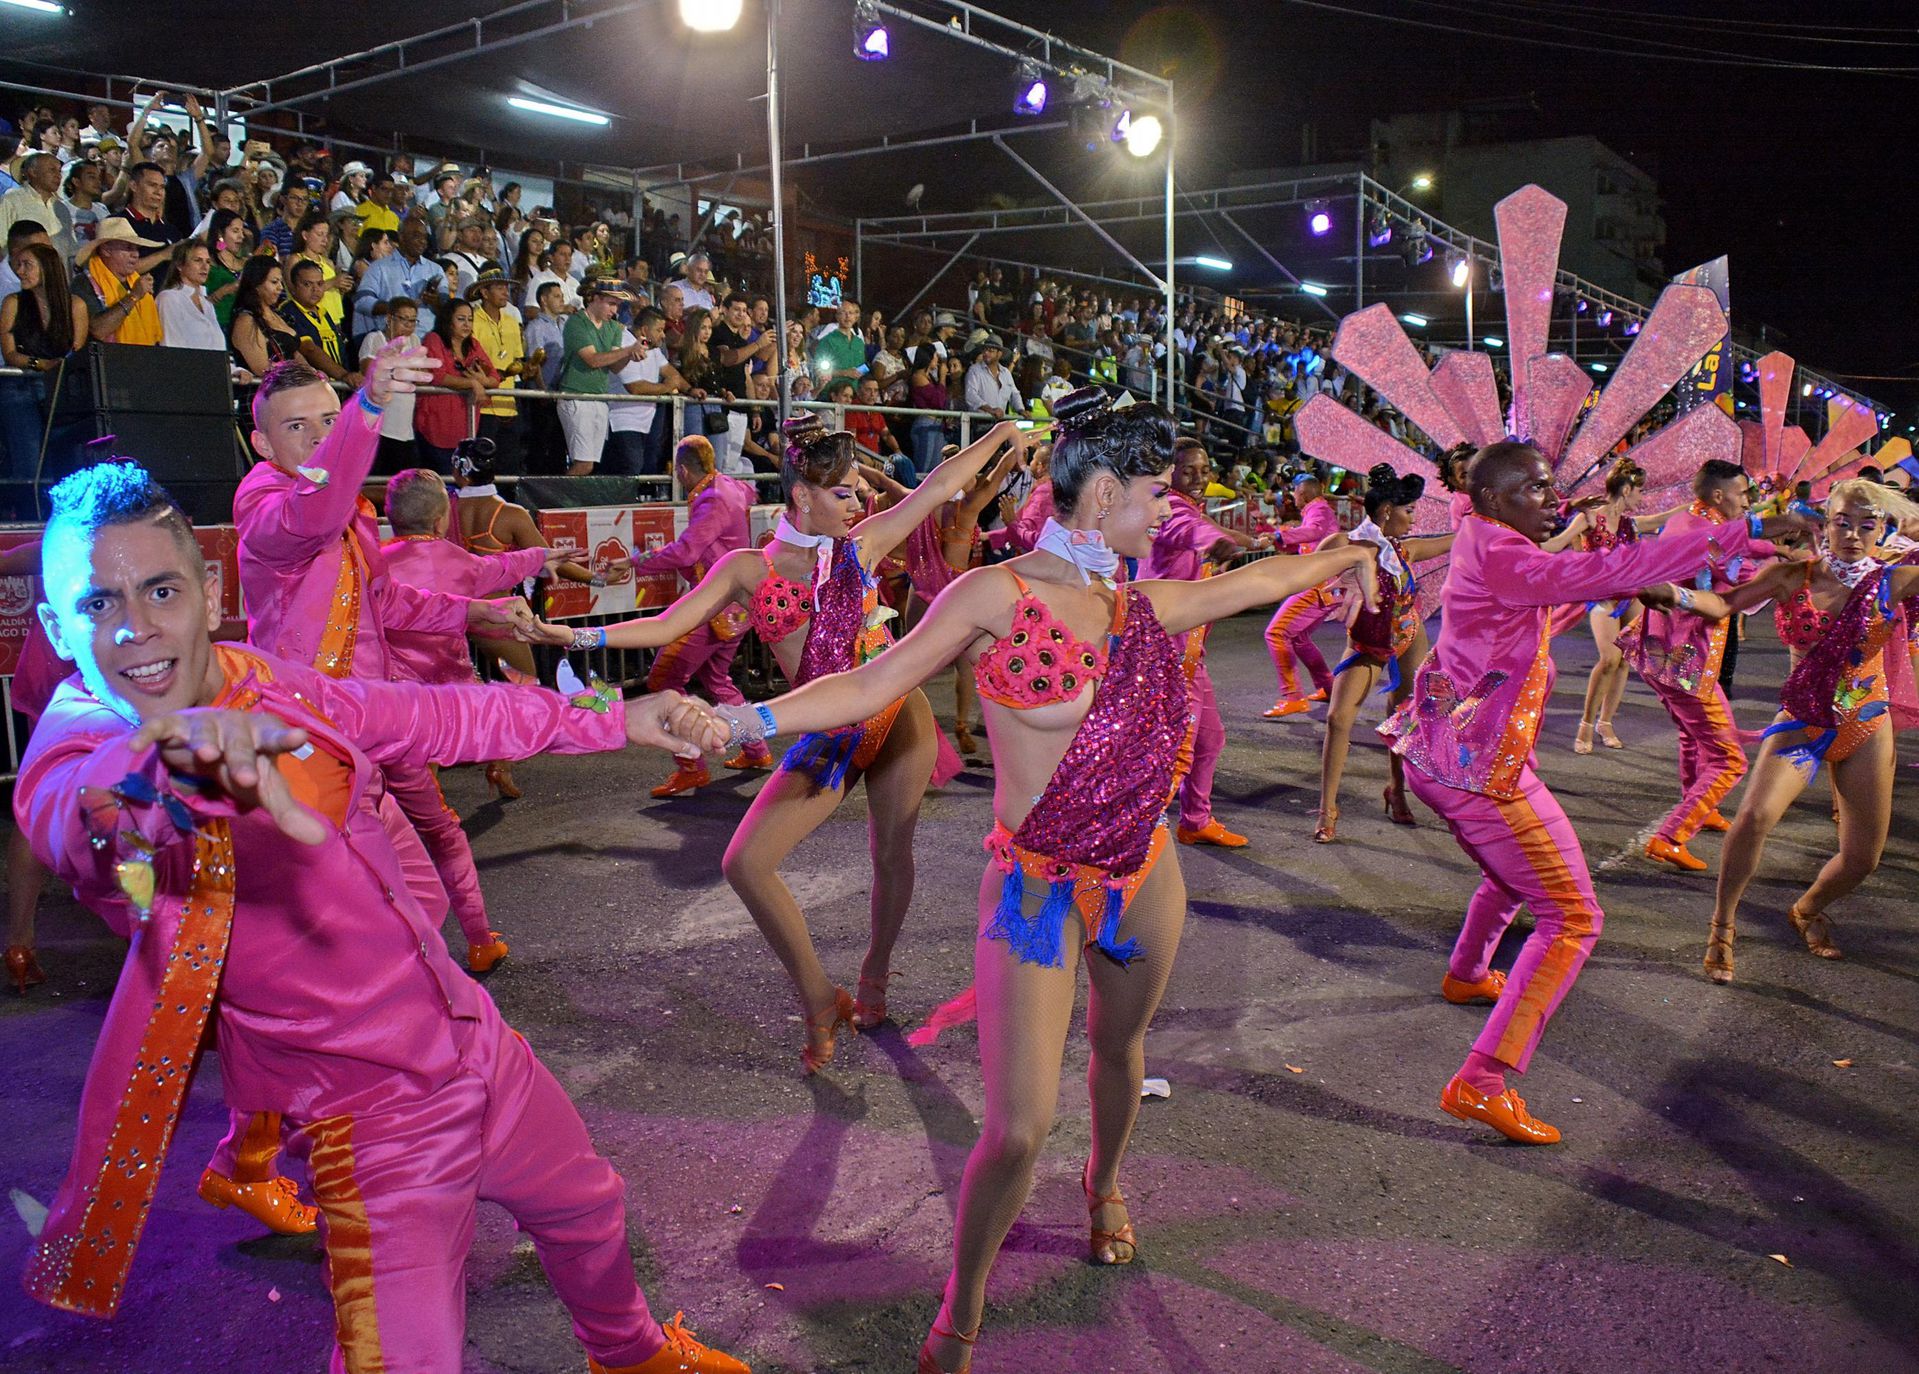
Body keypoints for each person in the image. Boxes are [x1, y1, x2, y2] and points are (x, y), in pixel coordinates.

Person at [17, 459, 749, 1374]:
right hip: (367, 1119)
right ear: (52, 625)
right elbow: (82, 820)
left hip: (471, 1039)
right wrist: (164, 771)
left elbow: (441, 715)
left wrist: (616, 712)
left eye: (159, 589)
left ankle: (629, 1353)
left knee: (588, 1206)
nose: (135, 627)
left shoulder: (265, 680)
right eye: (96, 605)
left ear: (208, 592)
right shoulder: (76, 747)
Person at [694, 389, 1375, 1373]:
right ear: (1100, 493)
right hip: (1034, 898)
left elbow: (1261, 576)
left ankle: (1103, 1183)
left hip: (1141, 879)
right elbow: (867, 685)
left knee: (1120, 1050)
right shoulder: (991, 598)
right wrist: (748, 721)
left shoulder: (1142, 605)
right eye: (1151, 494)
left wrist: (1349, 555)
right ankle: (960, 1309)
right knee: (1015, 1131)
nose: (1163, 513)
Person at [547, 419, 1040, 1070]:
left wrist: (1001, 432)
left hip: (895, 715)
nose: (859, 504)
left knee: (891, 854)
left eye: (860, 492)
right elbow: (669, 623)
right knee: (745, 863)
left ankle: (875, 977)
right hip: (821, 731)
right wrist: (577, 640)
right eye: (844, 493)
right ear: (801, 495)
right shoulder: (747, 569)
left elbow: (940, 486)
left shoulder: (860, 547)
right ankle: (817, 996)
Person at [1380, 440, 1804, 1146]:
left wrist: (1636, 585)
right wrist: (1743, 536)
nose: (1553, 502)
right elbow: (1610, 565)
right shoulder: (1503, 554)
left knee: (1519, 873)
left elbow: (1578, 587)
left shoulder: (1485, 538)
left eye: (1551, 488)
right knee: (1573, 916)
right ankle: (1479, 1082)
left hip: (1460, 754)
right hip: (1475, 769)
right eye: (1536, 492)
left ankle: (1465, 972)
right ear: (1490, 501)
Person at [233, 352, 538, 973]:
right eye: (299, 427)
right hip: (312, 745)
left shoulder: (355, 513)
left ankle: (389, 1015)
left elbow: (387, 601)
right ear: (261, 442)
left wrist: (477, 615)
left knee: (416, 896)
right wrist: (366, 410)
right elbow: (310, 514)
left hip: (376, 727)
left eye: (329, 419)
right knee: (348, 913)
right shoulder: (264, 501)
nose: (320, 438)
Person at [1701, 479, 1919, 984]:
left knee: (1863, 858)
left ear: (1884, 529)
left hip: (1867, 724)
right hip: (1802, 721)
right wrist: (1670, 592)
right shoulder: (1790, 575)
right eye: (1843, 522)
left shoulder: (1895, 581)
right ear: (1824, 522)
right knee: (1754, 817)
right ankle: (1722, 925)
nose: (1853, 535)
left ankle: (1807, 908)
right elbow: (1722, 604)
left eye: (1868, 525)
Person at [380, 467, 578, 800]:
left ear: (389, 515)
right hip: (449, 683)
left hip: (388, 686)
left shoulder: (372, 563)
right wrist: (541, 556)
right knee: (506, 703)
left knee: (416, 756)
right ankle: (441, 816)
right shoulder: (460, 562)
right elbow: (503, 567)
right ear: (441, 520)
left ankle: (425, 813)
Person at [1623, 459, 1773, 871]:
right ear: (1720, 495)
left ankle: (1700, 807)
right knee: (1730, 760)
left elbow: (1744, 545)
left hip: (1660, 655)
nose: (1749, 501)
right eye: (1743, 494)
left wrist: (1775, 546)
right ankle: (1671, 836)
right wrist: (1787, 563)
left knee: (1692, 737)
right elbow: (1746, 575)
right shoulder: (1709, 536)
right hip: (1687, 662)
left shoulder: (1688, 520)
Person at [1313, 463, 1453, 842]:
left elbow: (1451, 541)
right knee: (1339, 718)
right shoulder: (1347, 545)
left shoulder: (1403, 549)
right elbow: (1306, 568)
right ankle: (1327, 808)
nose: (1413, 519)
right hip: (1366, 645)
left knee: (1401, 716)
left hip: (1409, 636)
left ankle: (1397, 789)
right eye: (1408, 511)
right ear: (1388, 510)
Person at [626, 435, 772, 797]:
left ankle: (691, 766)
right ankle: (756, 750)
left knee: (663, 680)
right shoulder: (732, 487)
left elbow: (687, 551)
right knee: (717, 679)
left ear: (682, 471)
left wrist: (638, 560)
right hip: (734, 607)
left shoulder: (714, 497)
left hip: (714, 608)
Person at [1141, 436, 1263, 847]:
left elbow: (1205, 526)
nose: (1197, 478)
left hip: (1188, 650)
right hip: (1169, 652)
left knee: (1208, 739)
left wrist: (1254, 541)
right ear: (1170, 472)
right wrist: (1217, 544)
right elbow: (1191, 529)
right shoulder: (1172, 508)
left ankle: (1194, 820)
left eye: (1204, 470)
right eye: (1188, 470)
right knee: (1178, 752)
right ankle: (1130, 844)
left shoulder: (1185, 505)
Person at [1549, 457, 1673, 753]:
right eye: (1640, 491)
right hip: (1601, 597)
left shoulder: (1630, 523)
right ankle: (1586, 724)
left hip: (1629, 594)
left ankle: (1606, 722)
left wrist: (1699, 508)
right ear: (1627, 489)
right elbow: (1559, 542)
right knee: (1609, 659)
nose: (1642, 498)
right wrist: (1526, 549)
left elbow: (1662, 518)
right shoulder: (1591, 518)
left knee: (1625, 660)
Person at [0, 242, 86, 477]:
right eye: (18, 265)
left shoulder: (75, 305)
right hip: (22, 385)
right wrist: (42, 364)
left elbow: (77, 349)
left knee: (69, 457)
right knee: (29, 458)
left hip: (60, 387)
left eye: (27, 265)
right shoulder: (13, 303)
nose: (20, 271)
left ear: (47, 268)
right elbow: (10, 354)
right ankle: (32, 506)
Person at [1261, 471, 1342, 716]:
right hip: (1322, 583)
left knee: (1276, 633)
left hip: (1318, 584)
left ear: (1302, 493)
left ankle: (1292, 695)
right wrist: (1273, 535)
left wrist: (1279, 535)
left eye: (1294, 493)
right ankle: (1328, 687)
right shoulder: (1315, 510)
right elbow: (1308, 539)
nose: (1292, 498)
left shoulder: (1318, 510)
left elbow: (1314, 533)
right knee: (1299, 638)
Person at [559, 279, 641, 475]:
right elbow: (593, 360)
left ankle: (569, 501)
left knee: (590, 465)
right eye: (611, 304)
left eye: (617, 305)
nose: (614, 310)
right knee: (583, 464)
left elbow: (613, 366)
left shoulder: (612, 328)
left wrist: (631, 354)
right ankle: (557, 501)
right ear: (595, 299)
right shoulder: (577, 322)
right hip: (577, 396)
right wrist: (628, 350)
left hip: (599, 398)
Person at [415, 298, 498, 473]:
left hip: (466, 426)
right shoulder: (433, 339)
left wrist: (482, 381)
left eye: (470, 319)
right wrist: (472, 383)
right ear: (448, 320)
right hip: (436, 424)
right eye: (461, 319)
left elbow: (494, 377)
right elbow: (436, 376)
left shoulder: (474, 344)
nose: (466, 324)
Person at [605, 305, 689, 477]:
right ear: (644, 329)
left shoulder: (650, 347)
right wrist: (667, 387)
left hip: (646, 421)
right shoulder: (624, 342)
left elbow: (671, 372)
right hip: (623, 419)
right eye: (659, 330)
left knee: (644, 469)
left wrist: (691, 389)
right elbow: (635, 387)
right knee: (630, 468)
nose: (663, 335)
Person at [467, 264, 532, 470]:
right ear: (484, 292)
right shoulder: (473, 320)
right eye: (499, 287)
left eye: (507, 287)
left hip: (509, 403)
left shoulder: (512, 321)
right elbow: (471, 361)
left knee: (509, 464)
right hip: (483, 404)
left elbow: (517, 360)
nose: (506, 292)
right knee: (482, 463)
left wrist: (527, 368)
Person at [73, 218, 163, 345]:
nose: (135, 254)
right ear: (106, 250)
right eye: (128, 248)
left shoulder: (136, 282)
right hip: (105, 362)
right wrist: (134, 296)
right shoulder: (85, 282)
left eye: (136, 248)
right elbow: (98, 330)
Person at [360, 297, 423, 472]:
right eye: (404, 319)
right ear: (389, 319)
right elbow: (370, 370)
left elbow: (420, 374)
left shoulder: (415, 341)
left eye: (413, 320)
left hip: (405, 428)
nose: (409, 325)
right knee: (379, 479)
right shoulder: (375, 339)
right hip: (380, 426)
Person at [283, 257, 357, 390]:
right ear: (293, 287)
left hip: (338, 387)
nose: (315, 289)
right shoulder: (288, 312)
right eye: (307, 284)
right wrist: (344, 375)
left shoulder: (324, 313)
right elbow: (309, 349)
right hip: (312, 389)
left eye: (320, 284)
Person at [227, 257, 299, 378]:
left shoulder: (280, 315)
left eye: (281, 282)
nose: (280, 287)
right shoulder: (246, 320)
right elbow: (262, 369)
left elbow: (295, 352)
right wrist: (297, 371)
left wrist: (310, 372)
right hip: (263, 393)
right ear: (256, 284)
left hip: (289, 387)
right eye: (274, 282)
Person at [154, 239, 226, 354]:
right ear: (180, 265)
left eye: (208, 262)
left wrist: (237, 371)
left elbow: (219, 350)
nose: (205, 267)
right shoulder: (169, 299)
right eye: (198, 260)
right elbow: (172, 349)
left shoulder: (207, 304)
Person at [961, 333, 1021, 417]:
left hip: (999, 422)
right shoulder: (974, 370)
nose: (986, 353)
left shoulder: (1006, 373)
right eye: (985, 350)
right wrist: (990, 410)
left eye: (990, 351)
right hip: (980, 421)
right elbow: (971, 395)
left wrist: (1021, 410)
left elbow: (1014, 394)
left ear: (999, 354)